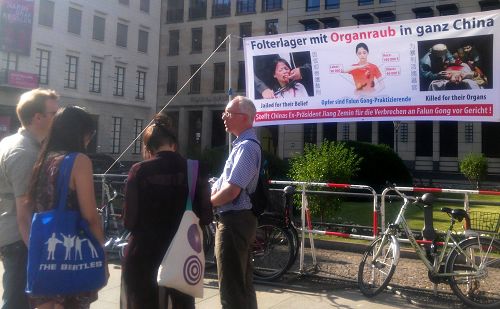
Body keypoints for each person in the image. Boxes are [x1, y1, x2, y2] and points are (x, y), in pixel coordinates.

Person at [121, 114, 212, 309]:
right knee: (181, 303)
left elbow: (129, 221)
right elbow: (206, 216)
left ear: (148, 148)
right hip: (182, 253)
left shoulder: (139, 170)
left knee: (144, 302)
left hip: (145, 251)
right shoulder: (196, 169)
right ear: (174, 144)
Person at [27, 106, 105, 308]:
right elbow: (90, 216)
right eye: (90, 133)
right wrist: (100, 254)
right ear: (81, 133)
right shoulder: (79, 161)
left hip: (44, 253)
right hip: (70, 257)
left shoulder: (44, 158)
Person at [0, 88, 59, 309]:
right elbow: (24, 210)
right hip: (21, 240)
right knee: (17, 302)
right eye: (54, 113)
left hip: (14, 236)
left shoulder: (13, 142)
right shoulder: (24, 152)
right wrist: (38, 255)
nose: (58, 118)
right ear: (37, 117)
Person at [211, 96, 260, 309]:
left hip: (233, 222)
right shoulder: (242, 144)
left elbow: (232, 191)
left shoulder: (247, 147)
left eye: (228, 113)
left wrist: (207, 203)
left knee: (231, 287)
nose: (224, 116)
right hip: (238, 221)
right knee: (242, 283)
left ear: (244, 118)